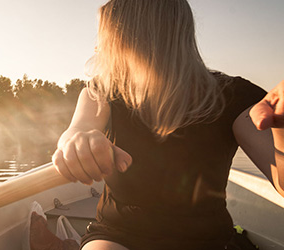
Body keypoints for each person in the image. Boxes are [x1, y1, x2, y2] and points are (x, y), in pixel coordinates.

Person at [51, 0, 283, 249]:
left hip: (207, 242)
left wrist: (280, 127)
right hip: (117, 234)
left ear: (130, 37)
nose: (97, 48)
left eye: (104, 37)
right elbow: (76, 130)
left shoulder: (234, 96)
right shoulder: (103, 92)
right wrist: (75, 142)